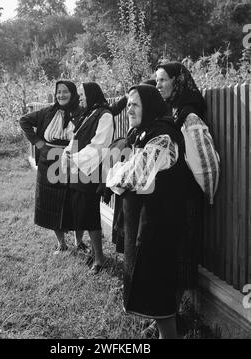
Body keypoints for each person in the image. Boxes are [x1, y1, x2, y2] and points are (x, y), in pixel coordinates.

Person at [106, 84, 187, 339]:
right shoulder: (142, 133)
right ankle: (158, 324)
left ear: (150, 106)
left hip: (159, 222)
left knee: (157, 281)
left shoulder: (163, 136)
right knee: (147, 277)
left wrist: (116, 173)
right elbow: (123, 172)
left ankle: (169, 334)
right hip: (143, 218)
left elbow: (133, 175)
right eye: (128, 103)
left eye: (135, 104)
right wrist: (119, 173)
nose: (129, 108)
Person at [155, 62, 219, 323]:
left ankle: (173, 315)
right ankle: (167, 314)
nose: (157, 85)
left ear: (177, 81)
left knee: (182, 256)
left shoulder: (189, 115)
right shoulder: (173, 111)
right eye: (157, 81)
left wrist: (208, 194)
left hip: (185, 199)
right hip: (172, 198)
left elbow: (206, 164)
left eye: (162, 80)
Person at [19, 80, 86, 254]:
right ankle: (61, 243)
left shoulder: (82, 114)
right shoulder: (47, 112)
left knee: (76, 202)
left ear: (73, 93)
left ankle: (80, 242)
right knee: (52, 202)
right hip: (49, 161)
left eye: (65, 91)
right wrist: (38, 143)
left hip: (74, 162)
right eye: (58, 92)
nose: (61, 95)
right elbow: (24, 120)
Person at [62, 82, 114, 274]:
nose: (81, 97)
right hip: (79, 169)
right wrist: (68, 153)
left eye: (83, 94)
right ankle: (93, 252)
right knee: (81, 212)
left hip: (92, 170)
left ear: (92, 94)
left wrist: (75, 157)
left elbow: (99, 145)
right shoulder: (89, 113)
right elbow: (75, 138)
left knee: (90, 214)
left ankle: (100, 258)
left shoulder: (105, 115)